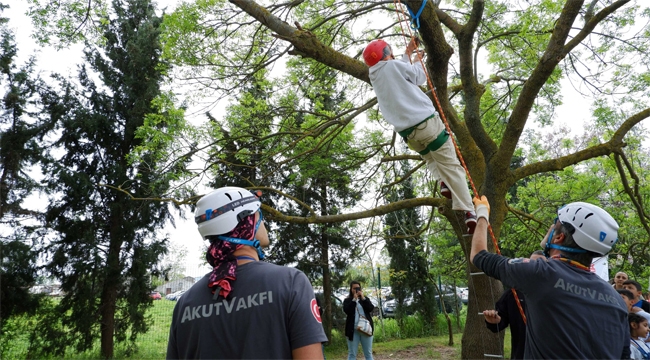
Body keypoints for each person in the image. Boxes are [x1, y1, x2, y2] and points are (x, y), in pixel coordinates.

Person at [166, 187, 327, 359]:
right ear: (247, 221)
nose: (263, 222)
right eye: (260, 214)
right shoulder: (291, 282)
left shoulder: (185, 303)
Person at [470, 198, 630, 358]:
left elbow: (479, 256)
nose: (551, 229)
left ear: (558, 237)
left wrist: (482, 213)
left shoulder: (540, 274)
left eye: (554, 226)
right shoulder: (616, 300)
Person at [362, 38, 476, 233]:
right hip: (427, 124)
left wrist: (408, 54)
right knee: (452, 166)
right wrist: (417, 60)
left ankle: (442, 182)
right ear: (386, 52)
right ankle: (469, 211)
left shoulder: (377, 76)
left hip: (411, 135)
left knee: (431, 158)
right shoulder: (392, 66)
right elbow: (418, 77)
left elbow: (399, 72)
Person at [482, 250, 545, 359]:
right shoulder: (513, 293)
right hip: (521, 355)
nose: (535, 268)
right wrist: (494, 321)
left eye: (540, 264)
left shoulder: (556, 292)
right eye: (532, 264)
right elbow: (499, 322)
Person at [343, 281, 374, 360]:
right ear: (351, 289)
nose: (356, 290)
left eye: (358, 288)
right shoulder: (347, 300)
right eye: (354, 288)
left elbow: (370, 308)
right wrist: (354, 300)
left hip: (365, 329)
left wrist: (363, 298)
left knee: (368, 354)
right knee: (352, 354)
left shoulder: (365, 299)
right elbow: (347, 311)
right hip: (353, 330)